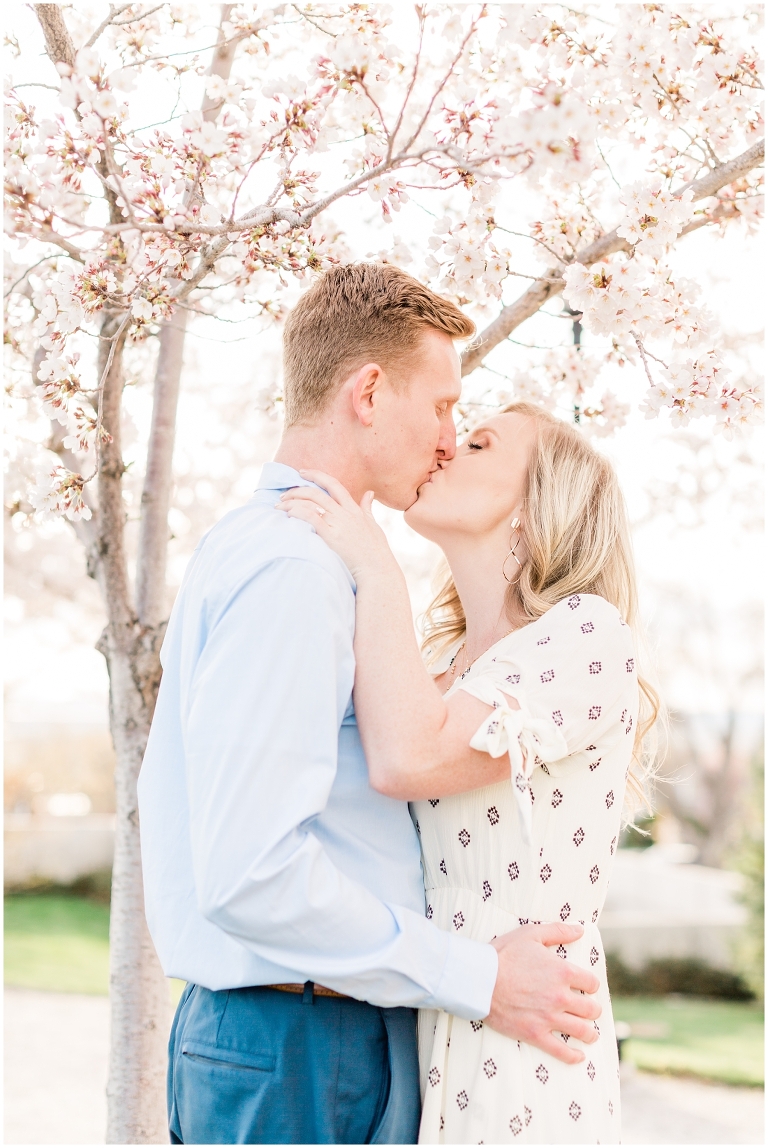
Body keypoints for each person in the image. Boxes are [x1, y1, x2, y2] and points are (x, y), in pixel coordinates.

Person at [137, 265, 602, 1146]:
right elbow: (252, 871)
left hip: (317, 1036)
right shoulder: (296, 570)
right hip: (302, 1045)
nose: (447, 437)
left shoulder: (297, 557)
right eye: (442, 408)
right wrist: (476, 977)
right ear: (369, 392)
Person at [280, 401, 659, 1143]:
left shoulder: (586, 635)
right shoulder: (436, 672)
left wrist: (374, 564)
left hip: (525, 1026)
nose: (448, 446)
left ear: (532, 507)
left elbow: (409, 761)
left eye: (480, 443)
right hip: (434, 999)